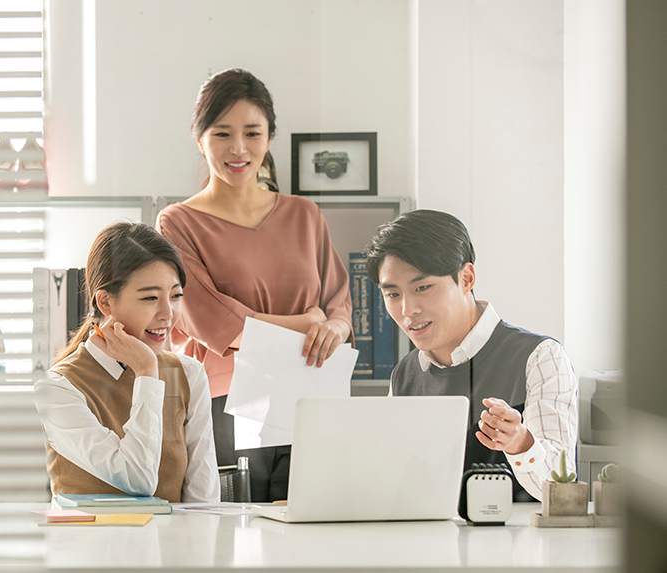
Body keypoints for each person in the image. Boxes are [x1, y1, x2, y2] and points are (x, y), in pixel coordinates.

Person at [156, 69, 353, 502]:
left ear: (269, 136)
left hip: (311, 395)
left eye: (252, 133)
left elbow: (339, 306)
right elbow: (214, 323)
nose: (239, 149)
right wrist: (308, 322)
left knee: (309, 537)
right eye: (222, 133)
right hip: (227, 403)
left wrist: (333, 328)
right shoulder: (177, 223)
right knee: (235, 541)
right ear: (199, 137)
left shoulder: (305, 215)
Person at [365, 209, 577, 501]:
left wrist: (520, 443)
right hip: (424, 542)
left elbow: (562, 490)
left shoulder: (539, 357)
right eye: (393, 295)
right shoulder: (405, 374)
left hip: (518, 544)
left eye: (423, 287)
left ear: (466, 278)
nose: (407, 310)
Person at [33, 221, 219, 503]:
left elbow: (203, 499)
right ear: (106, 303)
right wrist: (146, 371)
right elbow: (138, 479)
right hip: (88, 546)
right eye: (150, 298)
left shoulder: (189, 374)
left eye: (176, 295)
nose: (168, 313)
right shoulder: (58, 388)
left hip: (173, 546)